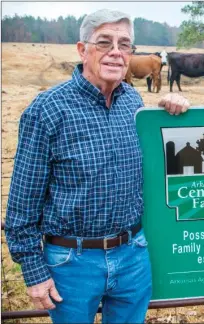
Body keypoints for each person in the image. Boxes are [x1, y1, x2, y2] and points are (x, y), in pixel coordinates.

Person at [5, 9, 188, 323]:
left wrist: (180, 108)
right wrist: (35, 273)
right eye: (104, 42)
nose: (116, 52)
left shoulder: (134, 103)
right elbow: (22, 206)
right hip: (72, 263)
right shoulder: (47, 110)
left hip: (132, 254)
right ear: (82, 49)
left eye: (124, 44)